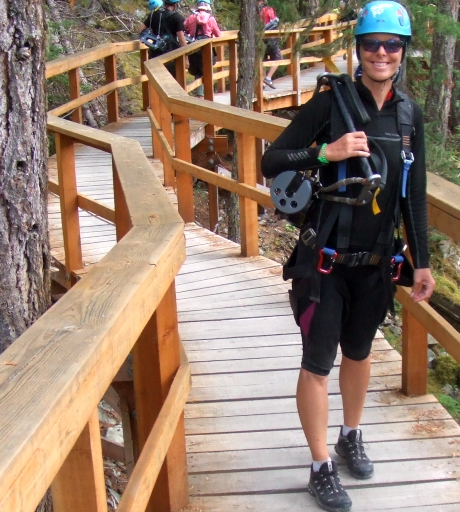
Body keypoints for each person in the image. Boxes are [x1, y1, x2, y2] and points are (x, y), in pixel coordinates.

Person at [260, 2, 435, 511]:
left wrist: (420, 261)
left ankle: (350, 434)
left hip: (377, 263)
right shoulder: (330, 105)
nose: (382, 53)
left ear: (403, 52)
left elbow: (413, 194)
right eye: (372, 44)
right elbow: (271, 160)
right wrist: (325, 152)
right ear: (357, 50)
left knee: (360, 353)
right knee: (317, 363)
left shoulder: (408, 115)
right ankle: (320, 466)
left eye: (392, 45)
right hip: (325, 261)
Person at [140, 0, 188, 78]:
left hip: (154, 54)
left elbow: (140, 30)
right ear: (175, 4)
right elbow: (181, 39)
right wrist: (186, 58)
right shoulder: (176, 17)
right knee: (172, 82)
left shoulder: (153, 14)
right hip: (171, 55)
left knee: (156, 82)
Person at [184, 0, 222, 84]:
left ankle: (199, 94)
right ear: (207, 6)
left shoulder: (191, 17)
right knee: (206, 68)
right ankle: (205, 94)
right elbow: (218, 34)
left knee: (197, 69)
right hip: (206, 47)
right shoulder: (210, 18)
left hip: (193, 45)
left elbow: (184, 30)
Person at [258, 0, 282, 89]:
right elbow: (274, 21)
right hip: (270, 38)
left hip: (260, 38)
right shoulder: (268, 9)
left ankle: (262, 82)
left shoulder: (253, 11)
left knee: (262, 59)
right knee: (278, 57)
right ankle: (268, 78)